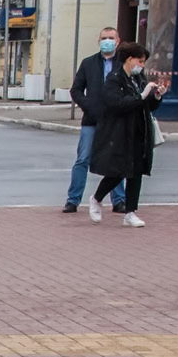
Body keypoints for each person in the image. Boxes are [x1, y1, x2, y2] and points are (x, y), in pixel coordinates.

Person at [88, 41, 161, 227]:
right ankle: (96, 198)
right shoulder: (114, 79)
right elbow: (117, 104)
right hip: (119, 132)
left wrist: (156, 97)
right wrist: (141, 96)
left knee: (136, 172)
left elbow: (147, 105)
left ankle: (130, 211)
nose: (142, 65)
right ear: (129, 59)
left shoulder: (139, 79)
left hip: (138, 131)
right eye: (140, 61)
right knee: (118, 171)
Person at [66, 25, 123, 215]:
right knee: (83, 159)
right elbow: (76, 90)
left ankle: (119, 200)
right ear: (99, 42)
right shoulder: (89, 63)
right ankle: (73, 200)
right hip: (91, 119)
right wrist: (88, 105)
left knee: (116, 160)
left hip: (115, 120)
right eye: (104, 38)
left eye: (111, 38)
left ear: (118, 41)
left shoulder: (123, 63)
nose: (108, 41)